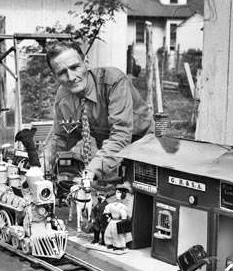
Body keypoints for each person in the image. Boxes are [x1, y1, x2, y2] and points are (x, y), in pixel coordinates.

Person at [43, 41, 153, 182]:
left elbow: (120, 134)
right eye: (62, 73)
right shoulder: (63, 96)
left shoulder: (113, 80)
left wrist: (90, 172)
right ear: (55, 76)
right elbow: (62, 137)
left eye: (75, 67)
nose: (71, 77)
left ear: (86, 62)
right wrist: (42, 163)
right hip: (109, 153)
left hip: (144, 147)